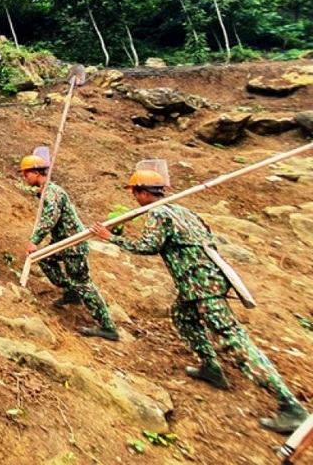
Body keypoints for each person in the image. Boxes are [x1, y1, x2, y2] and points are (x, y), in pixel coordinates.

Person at [89, 167, 309, 434]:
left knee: (234, 341)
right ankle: (210, 366)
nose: (134, 197)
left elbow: (149, 246)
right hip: (196, 286)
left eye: (135, 192)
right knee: (183, 318)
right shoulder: (182, 211)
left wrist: (112, 238)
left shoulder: (159, 213)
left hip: (202, 287)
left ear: (143, 192)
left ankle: (290, 406)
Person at [20, 152, 118, 341]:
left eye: (26, 174)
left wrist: (34, 240)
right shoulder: (46, 191)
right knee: (45, 259)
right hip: (61, 243)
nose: (25, 178)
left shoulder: (53, 192)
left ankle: (108, 327)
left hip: (73, 244)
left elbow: (50, 219)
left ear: (35, 173)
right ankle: (70, 291)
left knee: (83, 283)